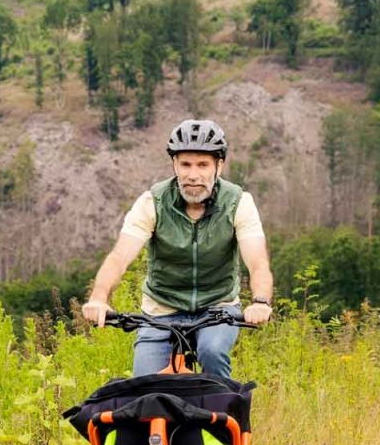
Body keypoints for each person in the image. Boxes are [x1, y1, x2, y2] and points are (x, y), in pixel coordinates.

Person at [79, 118, 274, 381]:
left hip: (217, 307)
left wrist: (260, 301)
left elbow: (258, 262)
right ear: (174, 165)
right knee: (145, 386)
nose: (193, 175)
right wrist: (99, 298)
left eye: (203, 165)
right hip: (161, 310)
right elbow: (119, 257)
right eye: (185, 164)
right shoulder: (153, 202)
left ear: (219, 165)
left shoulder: (238, 202)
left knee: (212, 351)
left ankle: (228, 415)